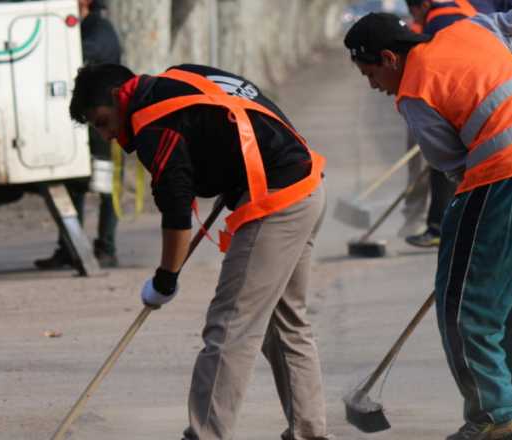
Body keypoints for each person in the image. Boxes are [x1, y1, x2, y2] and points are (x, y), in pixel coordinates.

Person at [345, 9, 512, 440]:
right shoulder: (471, 28)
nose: (372, 86)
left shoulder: (413, 93)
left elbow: (457, 170)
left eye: (370, 73)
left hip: (504, 180)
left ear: (389, 58)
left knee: (464, 308)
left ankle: (492, 412)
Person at [69, 63, 330, 440]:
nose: (108, 135)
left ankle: (206, 434)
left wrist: (165, 280)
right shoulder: (181, 77)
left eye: (103, 121)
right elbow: (246, 115)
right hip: (306, 185)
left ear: (117, 96)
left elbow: (177, 214)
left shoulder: (152, 125)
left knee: (229, 325)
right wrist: (235, 171)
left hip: (277, 202)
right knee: (286, 321)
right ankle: (310, 433)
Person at [400, 0, 512, 247]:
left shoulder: (439, 20)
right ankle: (449, 225)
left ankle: (442, 227)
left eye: (413, 12)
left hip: (491, 91)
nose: (415, 19)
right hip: (504, 80)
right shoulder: (458, 7)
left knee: (449, 164)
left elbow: (439, 66)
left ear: (420, 6)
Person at [35, 0, 123, 269]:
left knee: (107, 184)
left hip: (105, 121)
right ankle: (70, 247)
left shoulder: (99, 28)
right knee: (74, 183)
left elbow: (78, 55)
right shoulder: (80, 26)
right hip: (83, 119)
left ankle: (107, 249)